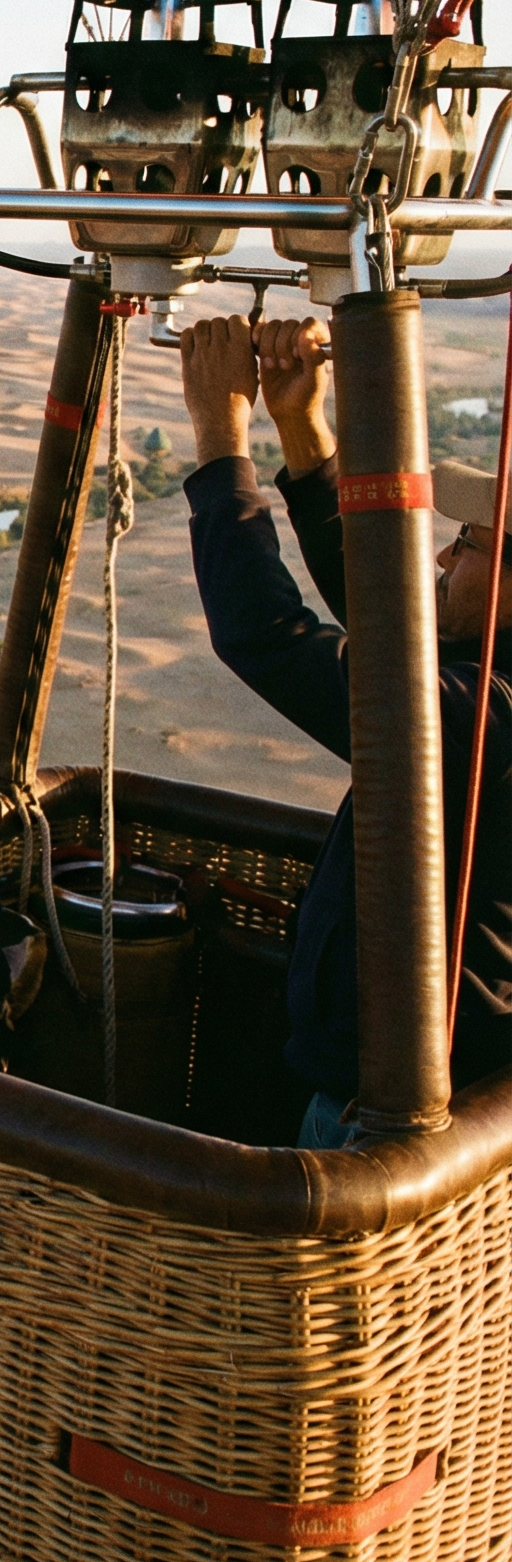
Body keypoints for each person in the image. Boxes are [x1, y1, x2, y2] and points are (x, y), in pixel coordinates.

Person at [179, 312, 512, 1147]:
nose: (439, 559)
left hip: (387, 1127)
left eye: (465, 544)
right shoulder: (485, 689)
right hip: (388, 1098)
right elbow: (388, 626)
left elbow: (270, 637)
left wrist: (222, 439)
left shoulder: (486, 718)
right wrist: (303, 432)